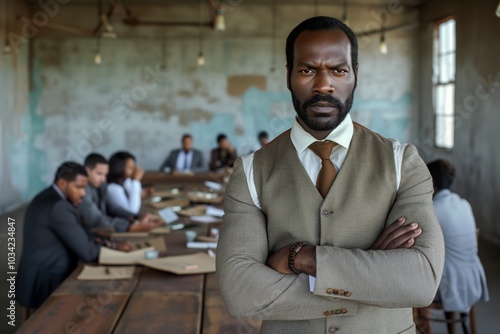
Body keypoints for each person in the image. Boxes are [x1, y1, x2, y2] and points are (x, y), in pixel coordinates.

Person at [216, 16, 445, 333]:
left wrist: (301, 259)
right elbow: (241, 292)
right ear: (288, 77)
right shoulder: (250, 171)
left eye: (338, 70)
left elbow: (421, 281)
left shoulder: (401, 163)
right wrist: (373, 276)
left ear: (355, 76)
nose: (323, 85)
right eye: (307, 70)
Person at [16, 162, 130, 310]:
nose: (83, 193)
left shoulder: (49, 198)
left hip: (37, 277)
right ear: (62, 183)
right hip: (46, 282)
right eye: (79, 187)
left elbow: (78, 233)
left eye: (84, 187)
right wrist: (113, 246)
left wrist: (97, 240)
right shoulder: (59, 206)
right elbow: (88, 253)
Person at [415, 160, 489, 334]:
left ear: (430, 181)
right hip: (472, 281)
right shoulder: (464, 204)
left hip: (450, 288)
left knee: (409, 286)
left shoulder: (433, 210)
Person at [78, 153, 164, 233]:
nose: (103, 179)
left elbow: (114, 208)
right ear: (87, 170)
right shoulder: (81, 190)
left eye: (105, 175)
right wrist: (130, 227)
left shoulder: (101, 185)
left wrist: (136, 217)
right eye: (99, 174)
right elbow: (97, 219)